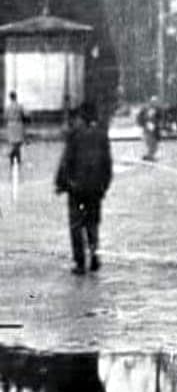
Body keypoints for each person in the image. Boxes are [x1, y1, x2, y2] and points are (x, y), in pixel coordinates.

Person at [54, 101, 112, 275]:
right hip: (95, 188)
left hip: (77, 188)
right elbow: (107, 164)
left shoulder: (75, 135)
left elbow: (66, 161)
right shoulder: (102, 135)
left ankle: (80, 262)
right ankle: (94, 257)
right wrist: (104, 186)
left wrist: (61, 183)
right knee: (93, 224)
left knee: (76, 225)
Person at [5, 90, 26, 172]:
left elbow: (5, 116)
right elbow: (24, 114)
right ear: (16, 97)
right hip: (18, 124)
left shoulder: (8, 107)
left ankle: (15, 157)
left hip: (10, 125)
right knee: (18, 142)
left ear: (10, 98)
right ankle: (14, 156)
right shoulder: (19, 106)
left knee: (13, 142)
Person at [137, 96, 162, 161]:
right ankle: (148, 157)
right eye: (154, 102)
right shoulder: (150, 109)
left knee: (154, 146)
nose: (156, 103)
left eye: (156, 102)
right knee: (153, 145)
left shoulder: (152, 109)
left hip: (150, 129)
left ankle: (148, 156)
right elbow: (149, 119)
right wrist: (151, 125)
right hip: (149, 130)